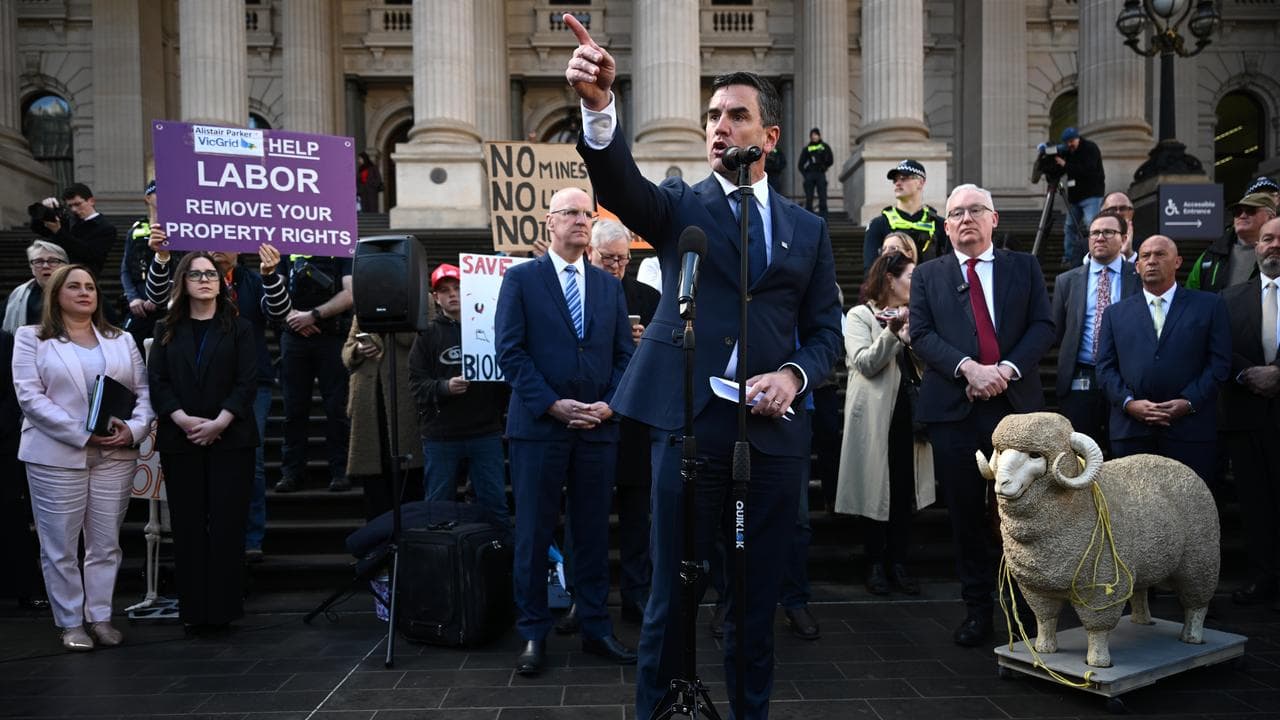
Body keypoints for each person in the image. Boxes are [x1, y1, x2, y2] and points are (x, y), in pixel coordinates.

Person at [565, 17, 843, 717]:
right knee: (670, 596)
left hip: (771, 441)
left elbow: (824, 332)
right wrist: (601, 111)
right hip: (687, 429)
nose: (721, 126)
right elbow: (620, 186)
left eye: (737, 115)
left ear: (769, 138)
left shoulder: (808, 230)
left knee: (754, 601)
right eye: (713, 116)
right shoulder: (680, 206)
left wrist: (793, 377)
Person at [496, 187, 636, 677]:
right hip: (539, 428)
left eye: (587, 213)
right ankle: (533, 632)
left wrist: (608, 403)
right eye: (571, 213)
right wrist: (553, 405)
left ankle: (596, 628)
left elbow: (624, 356)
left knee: (594, 534)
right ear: (549, 222)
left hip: (597, 428)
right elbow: (510, 353)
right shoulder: (521, 280)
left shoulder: (608, 286)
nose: (581, 220)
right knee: (533, 532)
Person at [909, 183, 1055, 648]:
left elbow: (1043, 326)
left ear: (994, 219)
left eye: (976, 210)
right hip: (955, 410)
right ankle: (977, 610)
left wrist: (1005, 370)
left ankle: (1029, 607)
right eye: (955, 213)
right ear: (946, 225)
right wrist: (968, 368)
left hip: (1014, 408)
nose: (965, 218)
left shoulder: (1023, 267)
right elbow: (922, 334)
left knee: (1022, 514)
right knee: (966, 516)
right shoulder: (928, 274)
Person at [12, 265, 153, 651]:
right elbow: (29, 397)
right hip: (56, 454)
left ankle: (101, 617)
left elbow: (144, 392)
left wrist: (135, 429)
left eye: (90, 286)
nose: (84, 292)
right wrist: (83, 434)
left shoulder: (120, 338)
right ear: (56, 294)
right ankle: (71, 622)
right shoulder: (31, 338)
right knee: (60, 546)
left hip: (115, 453)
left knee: (105, 544)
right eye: (74, 286)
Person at [144, 230, 290, 561]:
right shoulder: (190, 279)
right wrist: (163, 258)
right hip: (193, 392)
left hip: (248, 386)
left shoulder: (252, 280)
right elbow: (156, 299)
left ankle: (249, 539)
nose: (216, 248)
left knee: (249, 466)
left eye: (226, 240)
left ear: (241, 249)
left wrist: (271, 276)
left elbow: (278, 313)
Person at [147, 252, 260, 633]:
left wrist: (221, 421)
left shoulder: (240, 328)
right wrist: (179, 417)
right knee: (188, 526)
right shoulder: (166, 327)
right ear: (184, 281)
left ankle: (224, 610)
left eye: (210, 273)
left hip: (231, 438)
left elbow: (248, 381)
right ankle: (194, 611)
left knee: (228, 525)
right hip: (181, 438)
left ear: (221, 280)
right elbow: (157, 382)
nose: (204, 280)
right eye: (195, 274)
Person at [1095, 235, 1231, 484]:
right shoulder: (1115, 313)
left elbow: (1219, 363)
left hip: (1191, 430)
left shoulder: (1210, 306)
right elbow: (1104, 368)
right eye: (1145, 256)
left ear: (1177, 261)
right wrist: (1128, 403)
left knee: (1190, 510)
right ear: (1136, 267)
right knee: (1133, 512)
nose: (1152, 261)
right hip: (1131, 431)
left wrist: (1189, 402)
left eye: (1160, 255)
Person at [838, 251, 935, 596]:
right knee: (874, 489)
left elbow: (929, 361)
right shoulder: (860, 315)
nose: (916, 283)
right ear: (890, 279)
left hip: (911, 415)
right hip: (876, 418)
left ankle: (899, 561)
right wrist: (893, 332)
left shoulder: (919, 315)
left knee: (904, 490)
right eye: (910, 276)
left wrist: (914, 338)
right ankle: (874, 563)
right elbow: (865, 362)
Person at [590, 220, 658, 623]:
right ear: (591, 254)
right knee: (589, 518)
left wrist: (647, 339)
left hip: (633, 423)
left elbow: (672, 348)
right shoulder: (576, 293)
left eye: (623, 259)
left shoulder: (648, 296)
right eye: (609, 258)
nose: (617, 266)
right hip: (591, 416)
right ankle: (585, 597)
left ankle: (637, 594)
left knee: (637, 519)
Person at [408, 263, 510, 523]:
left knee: (494, 505)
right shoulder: (427, 335)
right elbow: (416, 386)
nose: (452, 294)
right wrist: (445, 387)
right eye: (445, 290)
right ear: (435, 297)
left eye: (458, 287)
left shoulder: (492, 328)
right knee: (439, 508)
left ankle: (495, 558)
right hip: (442, 436)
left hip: (485, 432)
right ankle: (440, 561)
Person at [1222, 216, 1280, 607]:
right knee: (1255, 503)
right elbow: (1220, 349)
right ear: (1255, 247)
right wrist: (1247, 373)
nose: (1273, 246)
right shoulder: (1230, 299)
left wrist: (1279, 374)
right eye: (1266, 239)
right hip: (1246, 415)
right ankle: (1264, 578)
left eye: (1279, 239)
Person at [1050, 212, 1141, 452]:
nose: (1100, 237)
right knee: (1081, 455)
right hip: (1080, 378)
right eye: (1095, 233)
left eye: (1108, 232)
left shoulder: (1139, 278)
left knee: (1122, 454)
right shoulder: (1066, 281)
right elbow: (1056, 332)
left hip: (1126, 379)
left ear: (1123, 238)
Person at [273, 252, 354, 493]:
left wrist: (313, 316)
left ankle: (341, 472)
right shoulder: (285, 246)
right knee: (293, 409)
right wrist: (291, 317)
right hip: (294, 336)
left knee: (336, 408)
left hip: (332, 336)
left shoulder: (341, 245)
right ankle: (292, 473)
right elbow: (273, 288)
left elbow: (350, 293)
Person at [342, 318, 423, 520]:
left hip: (404, 397)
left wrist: (395, 318)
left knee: (409, 476)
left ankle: (409, 539)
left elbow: (419, 340)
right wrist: (358, 349)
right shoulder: (365, 304)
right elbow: (346, 352)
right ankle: (379, 542)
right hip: (369, 400)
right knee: (374, 476)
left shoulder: (420, 298)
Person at [1, 328, 46, 612]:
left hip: (2, 443)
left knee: (10, 515)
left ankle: (24, 589)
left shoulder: (5, 340)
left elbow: (13, 391)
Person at [862, 159, 949, 272]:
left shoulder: (939, 224)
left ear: (921, 182)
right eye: (895, 179)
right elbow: (871, 270)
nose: (897, 183)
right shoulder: (878, 224)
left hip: (930, 287)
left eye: (904, 178)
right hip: (892, 287)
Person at [1187, 192, 1277, 293]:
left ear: (1270, 217)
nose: (1242, 216)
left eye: (1250, 211)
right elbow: (1190, 292)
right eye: (1237, 212)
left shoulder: (1276, 253)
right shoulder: (1213, 253)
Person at [32, 183, 117, 280]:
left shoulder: (106, 228)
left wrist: (59, 231)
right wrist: (44, 209)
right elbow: (37, 228)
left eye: (78, 204)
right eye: (70, 206)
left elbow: (89, 254)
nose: (74, 209)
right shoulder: (68, 220)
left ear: (91, 201)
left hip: (84, 278)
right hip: (58, 276)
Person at [120, 180, 162, 350]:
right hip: (139, 304)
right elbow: (125, 269)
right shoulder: (136, 230)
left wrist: (159, 297)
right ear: (147, 198)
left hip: (168, 305)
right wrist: (132, 297)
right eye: (159, 192)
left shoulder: (182, 227)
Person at [1055, 128, 1105, 265]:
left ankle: (1096, 254)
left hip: (1091, 195)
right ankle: (1070, 256)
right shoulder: (1068, 152)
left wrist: (1065, 164)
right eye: (1067, 143)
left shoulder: (1090, 148)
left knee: (1092, 226)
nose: (1069, 145)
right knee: (1070, 226)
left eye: (1071, 141)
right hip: (1075, 198)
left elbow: (1087, 170)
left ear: (1078, 138)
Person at [3, 241, 68, 333]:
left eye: (53, 261)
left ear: (65, 266)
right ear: (31, 267)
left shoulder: (79, 293)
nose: (45, 266)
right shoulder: (17, 296)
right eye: (39, 261)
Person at [797, 127, 834, 217]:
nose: (814, 137)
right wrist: (806, 174)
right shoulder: (807, 148)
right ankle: (809, 220)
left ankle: (824, 220)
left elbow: (830, 159)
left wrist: (824, 166)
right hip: (810, 174)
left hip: (820, 173)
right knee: (809, 198)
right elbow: (800, 164)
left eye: (815, 135)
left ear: (819, 136)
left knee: (823, 198)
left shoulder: (824, 147)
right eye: (812, 135)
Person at [1099, 192, 1138, 261]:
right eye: (1112, 209)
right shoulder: (1085, 247)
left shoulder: (1146, 243)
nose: (1118, 213)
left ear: (1131, 213)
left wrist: (1129, 254)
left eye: (1123, 208)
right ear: (1102, 214)